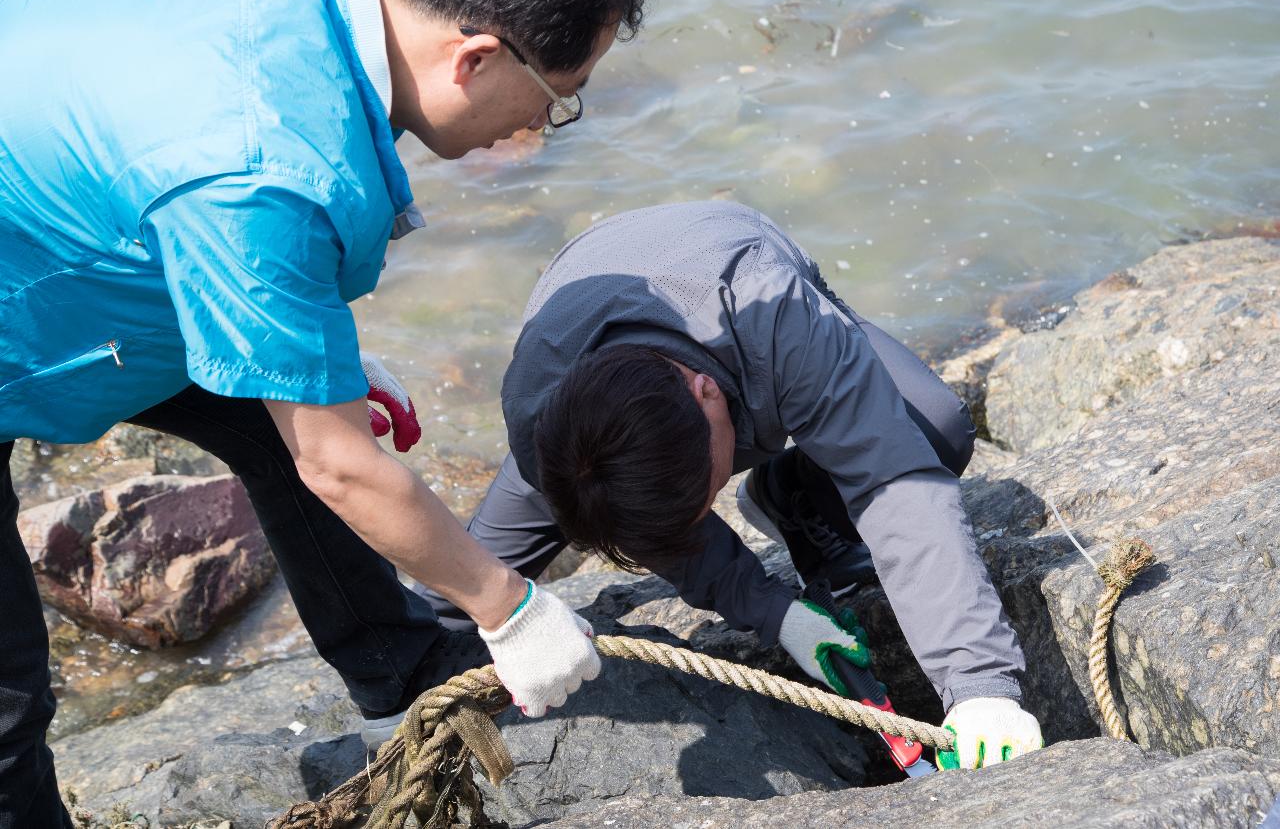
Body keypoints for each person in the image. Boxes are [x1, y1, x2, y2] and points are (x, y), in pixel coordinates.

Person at [0, 0, 652, 825]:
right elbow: (338, 466)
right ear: (477, 59)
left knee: (277, 414)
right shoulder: (256, 165)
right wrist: (510, 605)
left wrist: (309, 343)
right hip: (32, 284)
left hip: (56, 222)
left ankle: (397, 664)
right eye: (556, 100)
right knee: (8, 709)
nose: (536, 129)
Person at [416, 200, 1045, 771]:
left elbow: (896, 481)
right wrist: (777, 613)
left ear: (707, 392)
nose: (705, 510)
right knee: (449, 609)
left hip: (732, 268)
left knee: (932, 433)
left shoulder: (779, 318)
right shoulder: (537, 401)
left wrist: (981, 685)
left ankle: (792, 493)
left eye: (703, 496)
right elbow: (655, 531)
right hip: (586, 349)